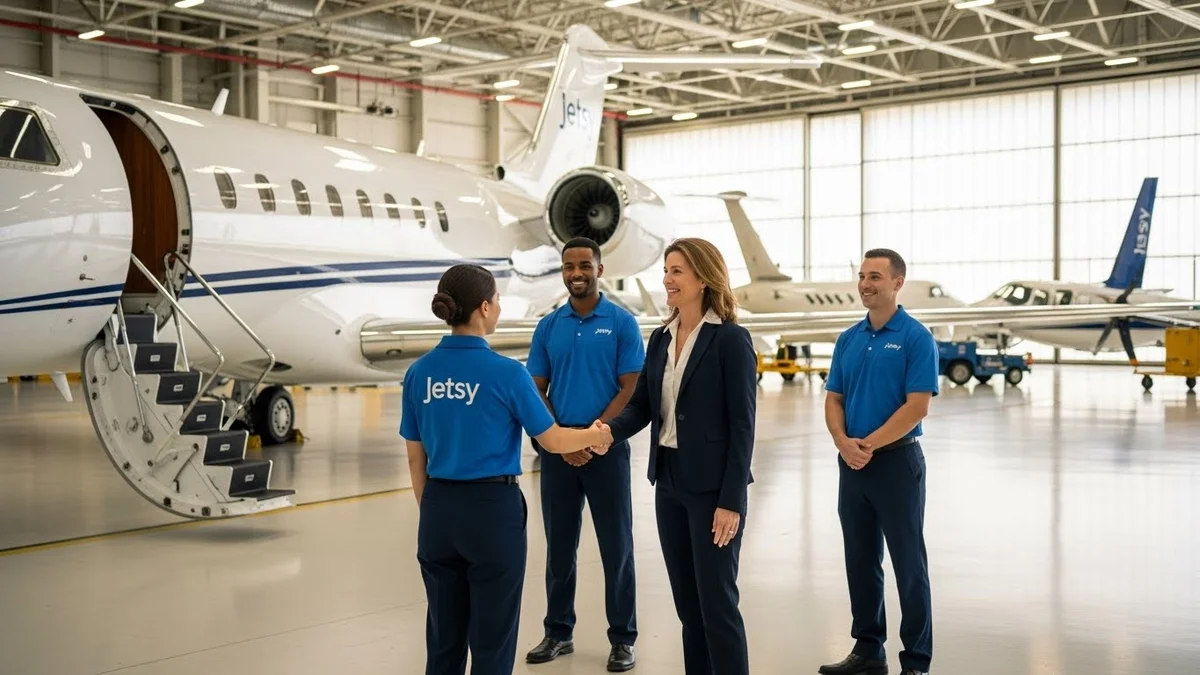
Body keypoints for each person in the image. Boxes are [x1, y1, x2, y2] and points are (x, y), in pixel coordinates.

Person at [398, 263, 614, 675]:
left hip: (439, 508)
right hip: (491, 511)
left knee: (443, 637)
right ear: (483, 307)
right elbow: (552, 441)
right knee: (492, 638)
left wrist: (434, 512)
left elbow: (415, 457)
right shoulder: (507, 374)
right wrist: (597, 434)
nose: (498, 307)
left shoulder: (419, 373)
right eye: (496, 300)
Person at [596, 237, 757, 675]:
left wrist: (731, 502)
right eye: (666, 270)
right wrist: (606, 432)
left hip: (711, 492)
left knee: (717, 604)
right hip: (668, 484)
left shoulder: (731, 340)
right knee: (688, 607)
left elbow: (744, 427)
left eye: (677, 271)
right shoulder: (661, 339)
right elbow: (643, 408)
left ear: (703, 278)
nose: (666, 279)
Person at [523, 237, 644, 672]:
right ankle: (558, 632)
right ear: (562, 271)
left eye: (584, 265)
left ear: (599, 269)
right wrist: (560, 439)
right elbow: (536, 389)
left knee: (618, 549)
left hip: (606, 451)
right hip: (559, 455)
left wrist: (594, 436)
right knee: (559, 549)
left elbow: (631, 388)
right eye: (569, 266)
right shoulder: (548, 327)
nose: (577, 273)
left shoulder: (622, 323)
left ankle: (623, 638)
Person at [820, 248, 938, 675]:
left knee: (909, 564)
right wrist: (841, 440)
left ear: (897, 283)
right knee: (861, 559)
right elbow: (834, 397)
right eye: (862, 276)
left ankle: (916, 662)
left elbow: (917, 407)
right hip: (851, 464)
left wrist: (865, 445)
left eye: (875, 277)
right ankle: (868, 650)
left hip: (896, 465)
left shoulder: (915, 337)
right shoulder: (849, 338)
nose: (866, 284)